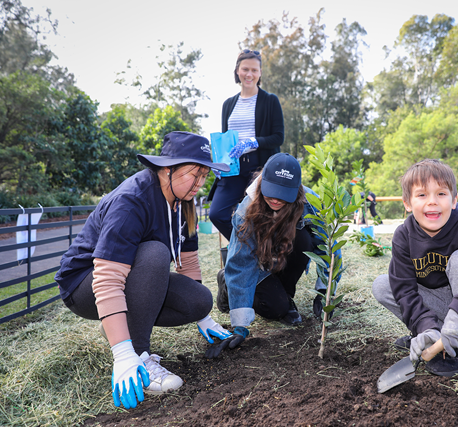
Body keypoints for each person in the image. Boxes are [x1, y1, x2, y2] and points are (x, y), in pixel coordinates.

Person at [55, 132, 233, 410]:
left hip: (127, 281)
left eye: (204, 176)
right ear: (166, 169)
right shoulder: (132, 201)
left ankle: (118, 328)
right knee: (154, 253)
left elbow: (188, 262)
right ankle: (138, 355)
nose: (199, 184)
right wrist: (123, 353)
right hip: (85, 286)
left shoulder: (183, 204)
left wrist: (204, 318)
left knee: (199, 300)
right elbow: (107, 278)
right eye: (193, 174)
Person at [371, 159, 458, 376]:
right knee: (382, 284)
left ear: (454, 200)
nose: (432, 202)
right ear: (407, 203)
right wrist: (425, 327)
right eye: (422, 195)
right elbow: (405, 289)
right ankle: (433, 334)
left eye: (441, 194)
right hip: (435, 305)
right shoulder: (403, 236)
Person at [206, 153, 341, 359]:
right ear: (262, 183)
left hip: (284, 259)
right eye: (271, 192)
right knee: (275, 308)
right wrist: (240, 325)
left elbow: (330, 248)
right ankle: (227, 281)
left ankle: (285, 294)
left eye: (283, 194)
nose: (276, 199)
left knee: (304, 240)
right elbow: (241, 263)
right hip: (258, 266)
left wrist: (325, 292)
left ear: (296, 190)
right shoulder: (246, 210)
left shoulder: (310, 203)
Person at [208, 49, 285, 241]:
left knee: (258, 217)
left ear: (260, 73)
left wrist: (253, 142)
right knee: (217, 214)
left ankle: (260, 254)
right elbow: (225, 139)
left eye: (254, 70)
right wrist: (218, 162)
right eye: (245, 69)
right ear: (237, 71)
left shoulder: (270, 101)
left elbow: (278, 137)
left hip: (258, 168)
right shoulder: (228, 104)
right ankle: (245, 248)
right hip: (232, 168)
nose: (249, 74)